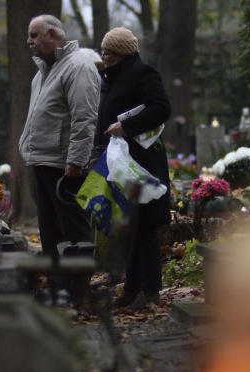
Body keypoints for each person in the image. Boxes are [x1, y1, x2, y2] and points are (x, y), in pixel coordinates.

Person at [93, 27, 172, 309]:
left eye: (109, 51)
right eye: (103, 51)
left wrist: (126, 127)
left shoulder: (142, 74)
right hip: (122, 162)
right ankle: (132, 288)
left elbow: (161, 108)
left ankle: (151, 292)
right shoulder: (111, 77)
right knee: (130, 226)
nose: (104, 56)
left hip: (141, 163)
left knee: (146, 226)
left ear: (122, 52)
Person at [18, 15, 100, 259]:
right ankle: (57, 286)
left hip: (64, 166)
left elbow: (84, 118)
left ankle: (77, 291)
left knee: (73, 230)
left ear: (52, 34)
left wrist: (76, 160)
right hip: (44, 161)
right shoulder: (44, 71)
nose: (28, 41)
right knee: (51, 232)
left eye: (34, 35)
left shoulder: (78, 66)